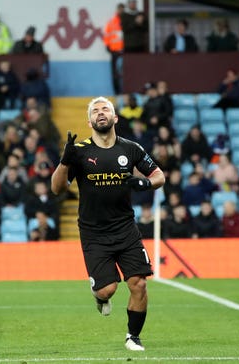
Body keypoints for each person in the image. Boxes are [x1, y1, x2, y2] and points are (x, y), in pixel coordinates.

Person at [51, 96, 165, 351]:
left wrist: (144, 183)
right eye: (95, 111)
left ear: (115, 118)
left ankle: (133, 337)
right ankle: (97, 294)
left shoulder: (131, 148)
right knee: (107, 291)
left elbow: (159, 176)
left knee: (139, 283)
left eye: (105, 109)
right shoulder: (79, 152)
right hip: (93, 233)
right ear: (89, 121)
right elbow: (57, 188)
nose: (100, 113)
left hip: (126, 229)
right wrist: (64, 161)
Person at [103, 3, 125, 94]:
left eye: (122, 10)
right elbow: (107, 35)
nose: (121, 12)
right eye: (120, 9)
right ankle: (117, 93)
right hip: (115, 51)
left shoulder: (126, 21)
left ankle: (125, 93)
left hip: (125, 52)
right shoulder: (111, 22)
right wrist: (107, 46)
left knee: (125, 73)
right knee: (115, 74)